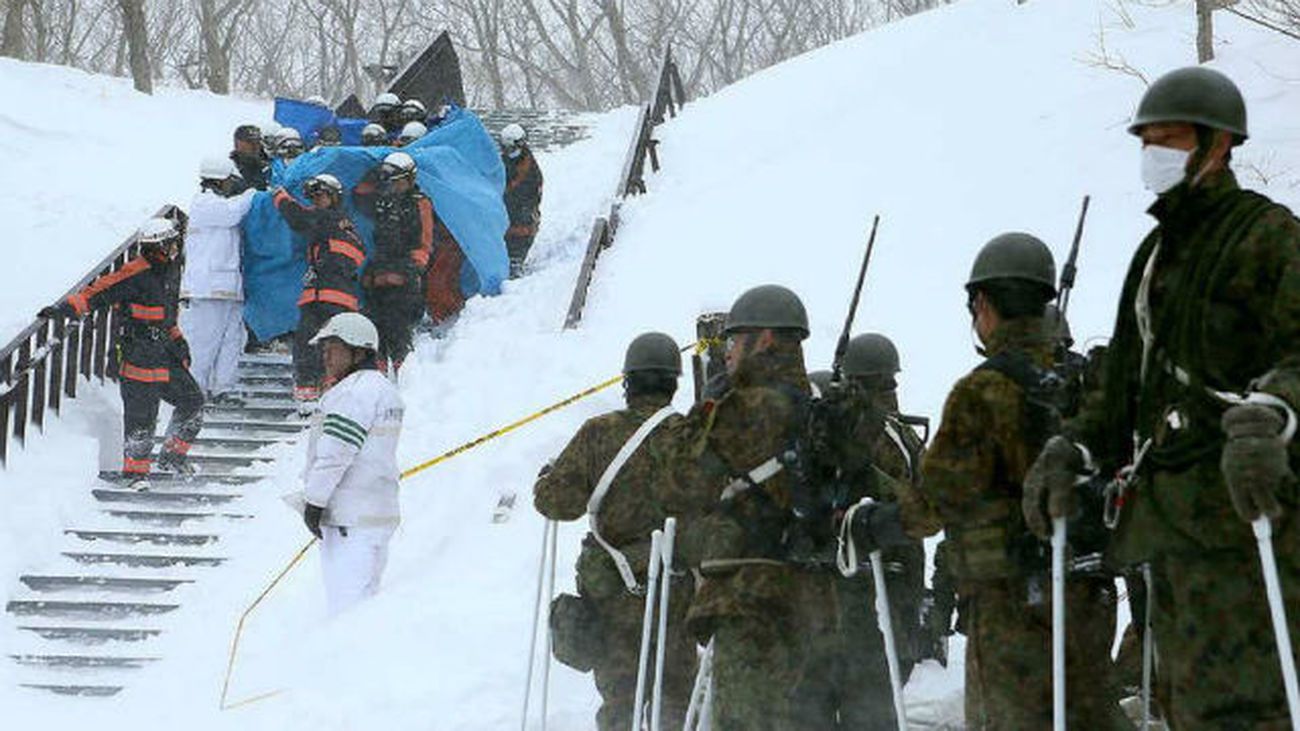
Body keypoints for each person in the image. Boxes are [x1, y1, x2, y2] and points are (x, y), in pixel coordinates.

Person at [1027, 66, 1300, 729]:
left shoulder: (1270, 235)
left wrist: (1271, 412)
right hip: (1168, 538)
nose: (1155, 155)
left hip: (1252, 520)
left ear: (1218, 144)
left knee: (1251, 707)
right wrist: (1072, 446)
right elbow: (1120, 392)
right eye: (1147, 141)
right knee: (1182, 707)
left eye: (1171, 140)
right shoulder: (1152, 257)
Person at [855, 233, 1129, 729]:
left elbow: (933, 502)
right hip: (1091, 591)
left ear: (983, 303)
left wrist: (873, 522)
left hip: (1012, 602)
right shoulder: (1091, 385)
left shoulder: (983, 391)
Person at [533, 332, 697, 731]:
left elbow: (557, 504)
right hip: (676, 589)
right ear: (674, 383)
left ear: (627, 381)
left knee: (621, 698)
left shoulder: (598, 433)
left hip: (613, 592)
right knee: (676, 697)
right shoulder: (692, 436)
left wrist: (547, 480)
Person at [669, 284, 814, 730]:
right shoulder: (815, 407)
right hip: (809, 600)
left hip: (748, 599)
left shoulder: (743, 407)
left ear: (765, 338)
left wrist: (706, 408)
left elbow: (679, 483)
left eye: (734, 341)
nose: (728, 352)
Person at [40, 218, 203, 487]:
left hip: (166, 354)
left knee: (193, 401)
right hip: (138, 355)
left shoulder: (172, 270)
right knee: (142, 417)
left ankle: (172, 457)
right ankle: (135, 475)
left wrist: (178, 340)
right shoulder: (135, 272)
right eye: (171, 243)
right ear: (159, 246)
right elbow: (99, 291)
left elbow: (167, 314)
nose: (176, 247)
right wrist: (66, 309)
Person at [300, 312, 403, 617]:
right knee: (363, 609)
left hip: (350, 520)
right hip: (373, 515)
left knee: (347, 612)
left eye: (333, 347)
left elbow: (335, 453)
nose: (326, 355)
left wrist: (314, 502)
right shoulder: (382, 389)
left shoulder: (353, 393)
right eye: (324, 348)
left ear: (358, 351)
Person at [272, 173, 365, 413]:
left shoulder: (328, 219)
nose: (315, 201)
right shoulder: (345, 224)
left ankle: (310, 391)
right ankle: (323, 388)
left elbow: (297, 217)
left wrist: (279, 196)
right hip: (334, 295)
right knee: (325, 343)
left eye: (320, 196)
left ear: (334, 197)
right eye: (312, 197)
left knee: (310, 341)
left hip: (327, 294)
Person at [181, 157, 256, 406]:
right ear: (220, 180)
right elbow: (231, 213)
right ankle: (194, 393)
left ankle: (224, 388)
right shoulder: (204, 204)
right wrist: (253, 194)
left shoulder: (221, 205)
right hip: (207, 288)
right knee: (204, 344)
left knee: (231, 340)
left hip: (228, 287)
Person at [352, 152, 433, 375]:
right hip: (378, 272)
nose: (394, 185)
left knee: (398, 329)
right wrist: (376, 172)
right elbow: (359, 194)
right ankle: (377, 376)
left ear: (410, 179)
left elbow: (425, 239)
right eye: (391, 180)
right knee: (374, 330)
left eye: (398, 180)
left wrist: (413, 269)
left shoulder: (419, 202)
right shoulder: (382, 201)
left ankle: (404, 376)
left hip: (405, 274)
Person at [500, 123, 543, 278]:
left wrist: (522, 204)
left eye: (512, 148)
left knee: (522, 226)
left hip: (523, 209)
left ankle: (516, 259)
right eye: (506, 148)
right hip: (504, 207)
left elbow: (534, 192)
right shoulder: (501, 161)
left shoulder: (530, 168)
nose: (509, 152)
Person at [230, 124, 269, 192]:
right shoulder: (230, 168)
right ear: (237, 144)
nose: (255, 146)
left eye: (258, 142)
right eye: (249, 142)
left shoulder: (270, 165)